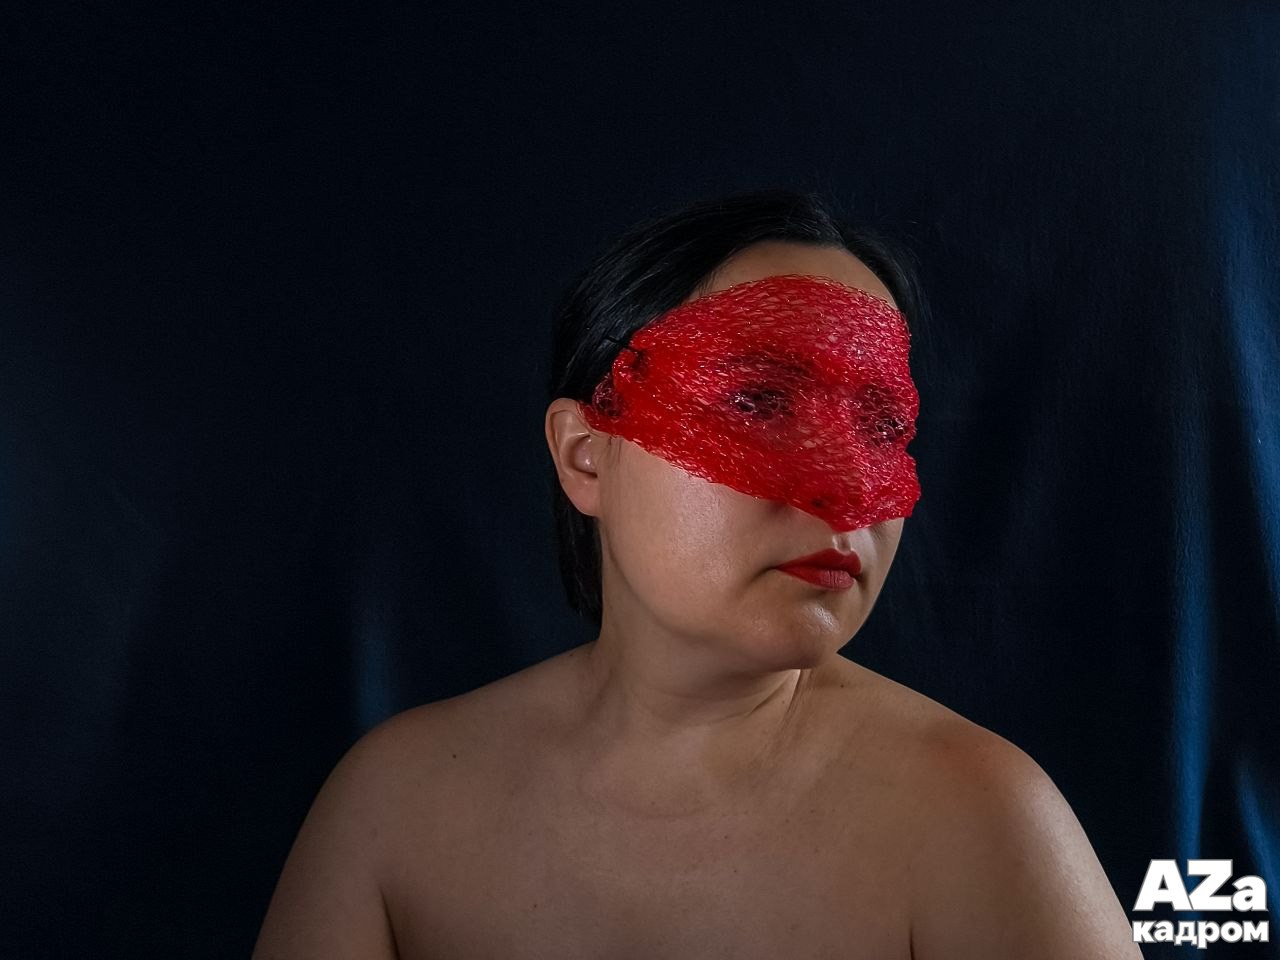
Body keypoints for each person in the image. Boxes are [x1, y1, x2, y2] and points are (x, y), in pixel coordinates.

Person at [251, 188, 1141, 959]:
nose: (845, 490)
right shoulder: (395, 808)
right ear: (586, 455)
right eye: (756, 401)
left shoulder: (978, 820)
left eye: (880, 425)